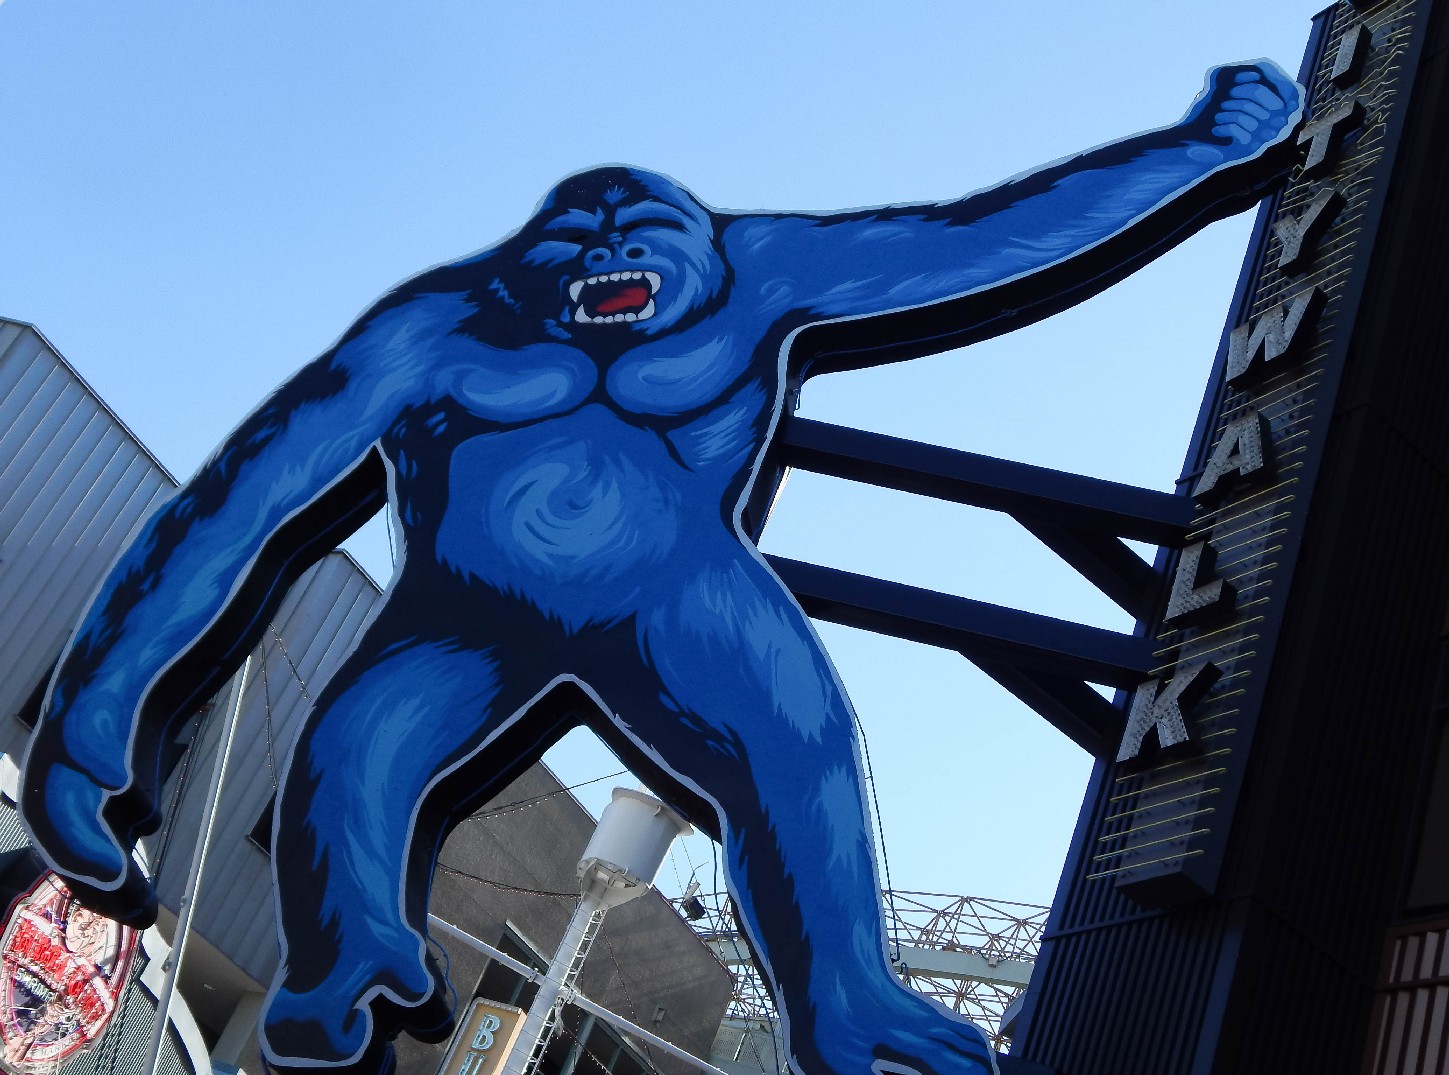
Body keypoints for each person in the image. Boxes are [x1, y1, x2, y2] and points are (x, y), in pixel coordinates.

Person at [20, 62, 1303, 1075]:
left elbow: (979, 238)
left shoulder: (760, 268)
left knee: (799, 743)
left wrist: (1198, 150)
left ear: (693, 245)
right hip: (460, 615)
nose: (606, 259)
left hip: (682, 595)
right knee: (352, 753)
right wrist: (94, 723)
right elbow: (238, 507)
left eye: (635, 235)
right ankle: (349, 956)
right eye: (577, 241)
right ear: (528, 263)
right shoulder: (439, 325)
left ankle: (846, 991)